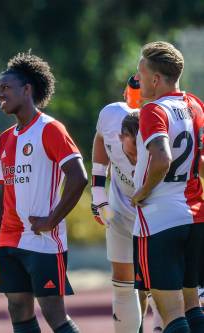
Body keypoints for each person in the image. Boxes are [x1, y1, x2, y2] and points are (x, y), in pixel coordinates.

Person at [0, 52, 87, 333]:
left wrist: (51, 220)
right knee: (18, 310)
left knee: (55, 315)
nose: (0, 95)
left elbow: (79, 178)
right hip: (9, 241)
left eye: (6, 88)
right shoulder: (4, 139)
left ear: (27, 90)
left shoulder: (50, 129)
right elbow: (2, 200)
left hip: (42, 240)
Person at [131, 41, 204, 332]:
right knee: (193, 307)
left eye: (140, 72)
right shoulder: (195, 104)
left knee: (171, 313)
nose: (137, 79)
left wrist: (142, 192)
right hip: (195, 216)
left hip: (160, 219)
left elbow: (162, 159)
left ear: (155, 79)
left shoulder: (152, 111)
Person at [91, 77, 147, 333]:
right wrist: (97, 191)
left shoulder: (163, 121)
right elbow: (101, 138)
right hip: (121, 205)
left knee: (159, 285)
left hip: (156, 208)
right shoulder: (111, 114)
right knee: (123, 284)